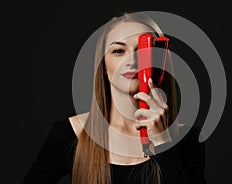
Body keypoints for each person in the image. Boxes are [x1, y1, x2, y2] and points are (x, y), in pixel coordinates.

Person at [23, 11, 207, 184]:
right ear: (103, 65)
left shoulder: (186, 138)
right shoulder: (72, 133)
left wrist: (161, 141)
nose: (132, 61)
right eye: (118, 51)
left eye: (143, 51)